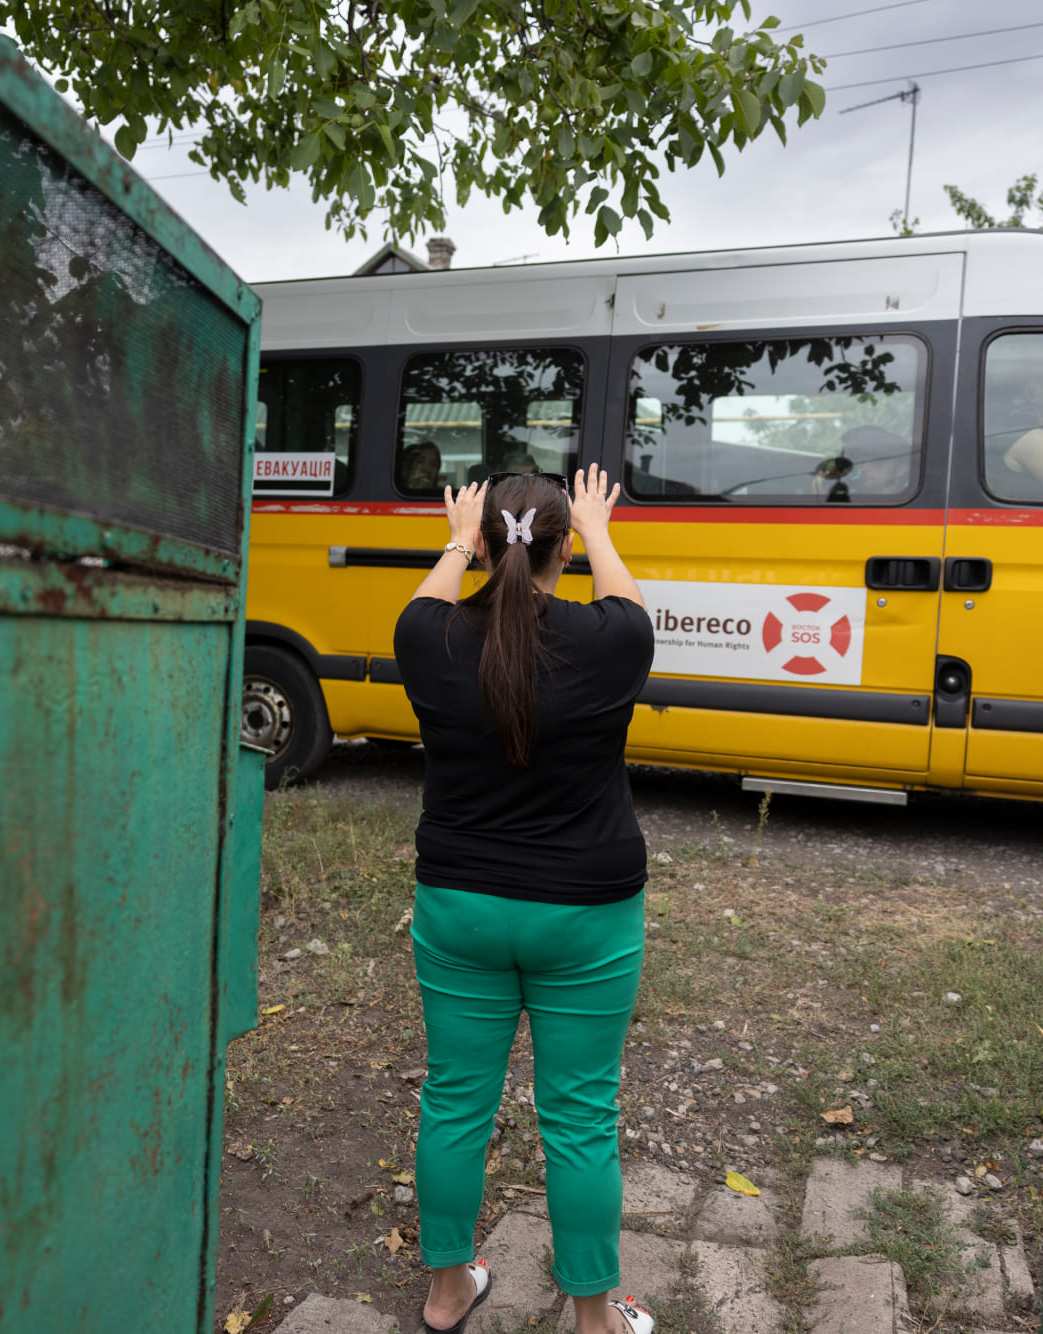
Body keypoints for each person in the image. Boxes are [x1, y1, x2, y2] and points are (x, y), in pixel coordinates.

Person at [391, 465, 657, 1334]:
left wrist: (457, 541)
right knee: (581, 1113)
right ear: (564, 547)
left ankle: (445, 1292)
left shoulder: (425, 637)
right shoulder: (611, 642)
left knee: (456, 1097)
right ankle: (594, 1320)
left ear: (480, 542)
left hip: (460, 908)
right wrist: (600, 531)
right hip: (585, 914)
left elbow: (433, 601)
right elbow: (628, 605)